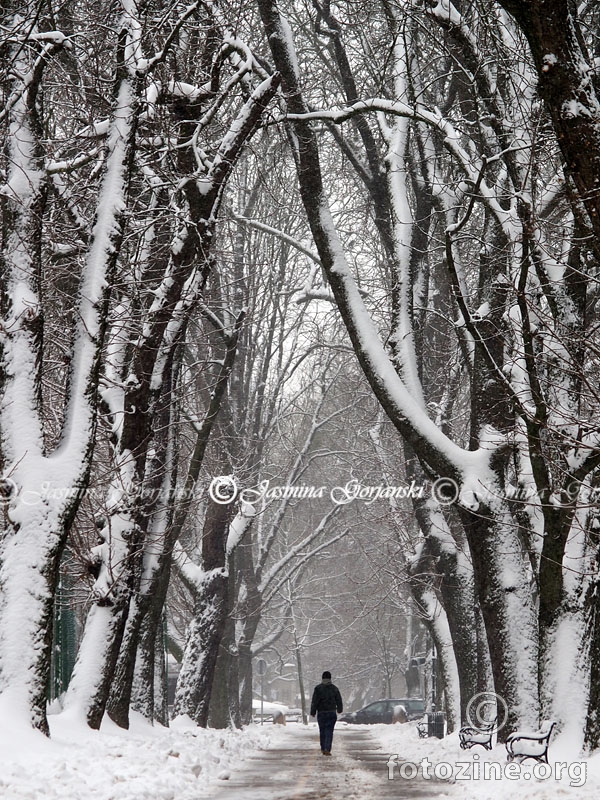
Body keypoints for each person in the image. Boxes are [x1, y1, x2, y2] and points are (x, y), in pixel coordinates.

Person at [310, 670, 343, 755]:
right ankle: (327, 748)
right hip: (331, 712)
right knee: (329, 731)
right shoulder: (334, 688)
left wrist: (313, 711)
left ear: (322, 678)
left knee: (322, 731)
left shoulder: (318, 689)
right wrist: (339, 709)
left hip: (321, 712)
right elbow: (339, 700)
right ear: (330, 678)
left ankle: (322, 747)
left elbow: (315, 701)